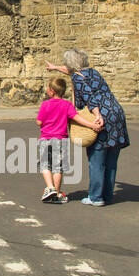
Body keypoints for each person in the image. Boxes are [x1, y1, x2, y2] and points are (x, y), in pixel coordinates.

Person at [46, 49, 129, 206]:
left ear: (71, 64)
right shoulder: (93, 72)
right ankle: (107, 195)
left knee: (97, 158)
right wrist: (55, 67)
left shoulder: (77, 78)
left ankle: (96, 197)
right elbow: (71, 71)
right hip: (116, 113)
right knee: (111, 159)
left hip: (101, 114)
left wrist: (97, 116)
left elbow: (89, 98)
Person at [35, 74, 103, 204]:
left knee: (45, 165)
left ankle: (50, 188)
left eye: (48, 88)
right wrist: (92, 125)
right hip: (61, 140)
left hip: (46, 139)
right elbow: (77, 118)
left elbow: (39, 122)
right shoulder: (66, 105)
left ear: (52, 91)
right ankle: (57, 192)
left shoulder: (45, 105)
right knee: (58, 168)